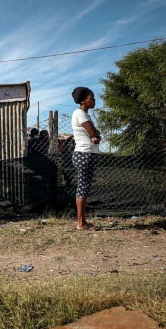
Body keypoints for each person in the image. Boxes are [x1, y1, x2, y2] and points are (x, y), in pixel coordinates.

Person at [71, 87, 101, 230]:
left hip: (85, 154)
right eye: (91, 98)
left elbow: (95, 135)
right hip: (84, 154)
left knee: (84, 187)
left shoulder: (83, 114)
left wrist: (96, 135)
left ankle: (82, 222)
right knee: (83, 187)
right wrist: (96, 135)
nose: (94, 100)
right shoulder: (80, 113)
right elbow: (94, 134)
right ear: (83, 100)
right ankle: (81, 223)